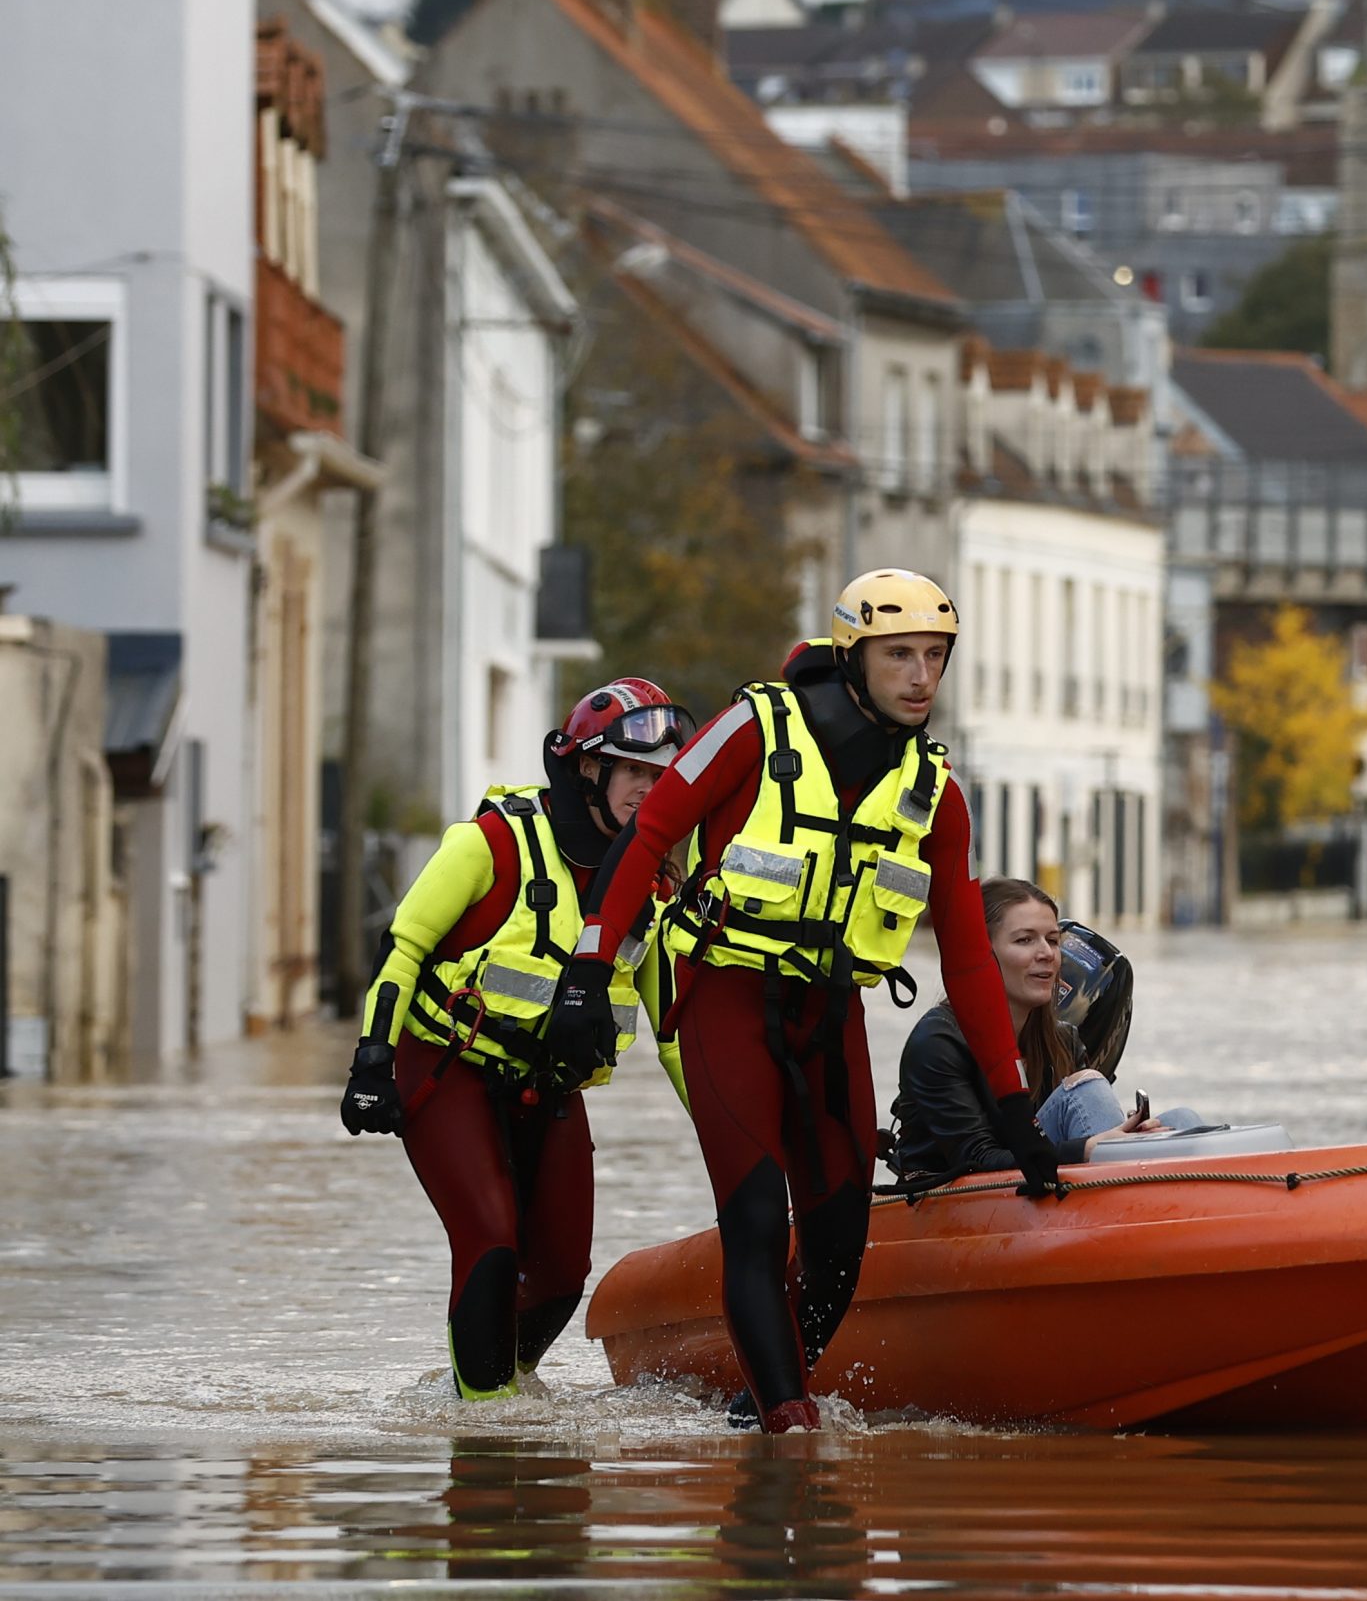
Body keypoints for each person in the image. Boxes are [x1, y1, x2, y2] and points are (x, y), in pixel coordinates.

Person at [542, 570, 1050, 1435]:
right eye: (900, 656)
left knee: (841, 1243)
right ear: (853, 658)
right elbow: (650, 831)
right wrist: (591, 967)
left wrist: (1014, 1109)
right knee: (754, 1213)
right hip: (725, 995)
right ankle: (789, 1429)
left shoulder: (936, 790)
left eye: (935, 656)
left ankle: (756, 1405)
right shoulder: (756, 726)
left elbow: (966, 955)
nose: (922, 676)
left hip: (828, 1011)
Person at [337, 680, 696, 1402]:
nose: (649, 792)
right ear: (589, 771)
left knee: (563, 1272)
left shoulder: (654, 890)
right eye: (635, 773)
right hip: (446, 1068)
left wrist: (739, 1142)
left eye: (662, 779)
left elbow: (677, 1037)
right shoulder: (490, 842)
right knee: (493, 1242)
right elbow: (401, 950)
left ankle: (488, 1385)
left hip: (550, 1088)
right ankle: (486, 1438)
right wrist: (370, 1059)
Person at [893, 880, 1197, 1179]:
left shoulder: (1063, 1038)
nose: (1047, 954)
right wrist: (1086, 1150)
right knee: (1086, 1088)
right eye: (1025, 940)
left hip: (1037, 1183)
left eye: (1052, 940)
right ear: (979, 953)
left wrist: (1127, 1132)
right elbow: (977, 1158)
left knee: (1182, 1121)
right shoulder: (938, 1041)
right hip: (952, 1201)